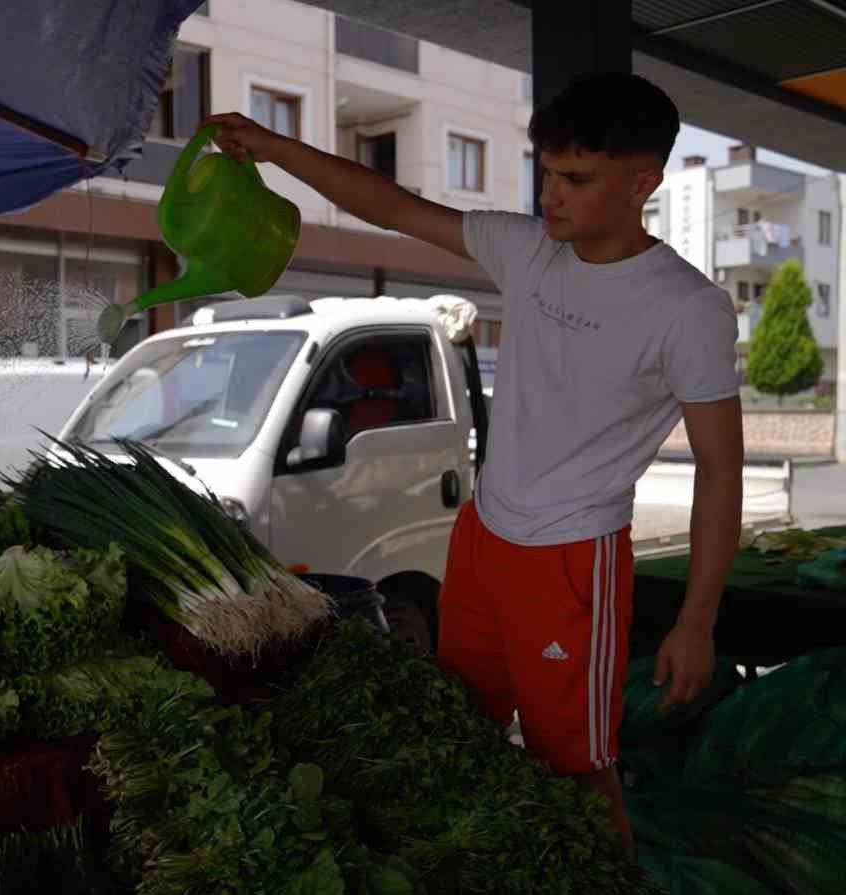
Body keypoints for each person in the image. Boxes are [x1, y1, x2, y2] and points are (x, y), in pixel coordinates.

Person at [201, 72, 744, 860]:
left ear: (643, 183)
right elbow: (391, 206)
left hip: (572, 562)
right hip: (483, 539)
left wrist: (698, 621)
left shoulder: (688, 308)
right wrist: (276, 148)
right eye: (546, 173)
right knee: (457, 731)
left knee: (579, 776)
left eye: (575, 179)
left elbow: (722, 470)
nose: (550, 196)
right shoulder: (528, 250)